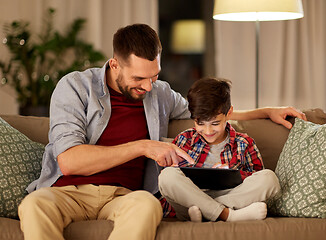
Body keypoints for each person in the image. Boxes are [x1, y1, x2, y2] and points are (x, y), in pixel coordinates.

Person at [18, 23, 306, 240]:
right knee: (33, 205)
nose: (147, 87)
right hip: (69, 192)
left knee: (148, 206)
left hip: (125, 196)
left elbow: (208, 114)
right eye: (139, 78)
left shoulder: (160, 93)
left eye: (154, 76)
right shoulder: (75, 88)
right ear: (115, 64)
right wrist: (143, 146)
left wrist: (266, 111)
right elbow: (69, 160)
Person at [158, 77, 281, 222]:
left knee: (269, 178)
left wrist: (229, 172)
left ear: (229, 113)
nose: (208, 130)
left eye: (215, 123)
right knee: (167, 176)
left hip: (228, 198)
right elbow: (175, 183)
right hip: (191, 200)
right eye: (201, 123)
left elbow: (256, 178)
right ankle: (228, 215)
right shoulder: (185, 139)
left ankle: (210, 213)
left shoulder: (244, 143)